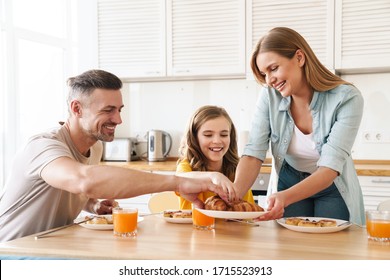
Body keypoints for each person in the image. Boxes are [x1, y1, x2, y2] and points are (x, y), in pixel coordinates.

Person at [0, 70, 228, 242]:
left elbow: (74, 190)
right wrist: (178, 182)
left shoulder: (95, 147)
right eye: (108, 110)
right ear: (77, 109)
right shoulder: (42, 147)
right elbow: (83, 180)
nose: (119, 120)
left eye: (120, 110)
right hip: (14, 251)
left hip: (52, 247)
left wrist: (94, 206)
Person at [233, 27, 365, 225]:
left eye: (273, 68)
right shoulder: (269, 96)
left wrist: (284, 198)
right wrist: (232, 200)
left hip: (332, 185)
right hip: (289, 179)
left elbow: (329, 169)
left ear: (300, 58)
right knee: (290, 250)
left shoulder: (347, 98)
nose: (269, 80)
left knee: (330, 249)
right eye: (264, 74)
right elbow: (254, 152)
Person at [176, 105, 254, 209]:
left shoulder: (238, 170)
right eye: (208, 135)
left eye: (224, 135)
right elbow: (179, 181)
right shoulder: (186, 166)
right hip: (195, 225)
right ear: (194, 138)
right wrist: (214, 176)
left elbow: (247, 213)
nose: (217, 141)